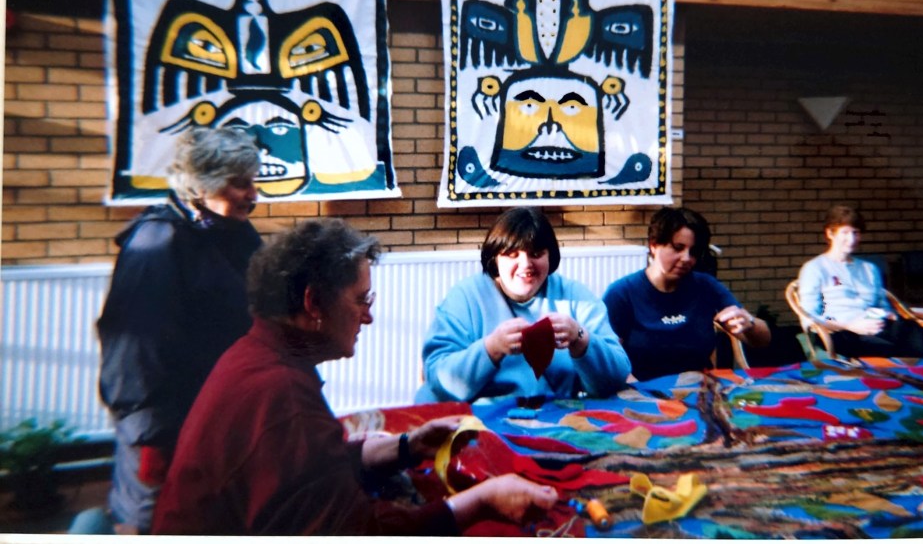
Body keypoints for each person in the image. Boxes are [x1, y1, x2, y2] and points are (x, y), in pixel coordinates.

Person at [152, 219, 558, 535]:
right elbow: (361, 532)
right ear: (313, 303)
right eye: (361, 300)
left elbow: (302, 469)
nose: (369, 315)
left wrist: (403, 447)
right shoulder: (281, 393)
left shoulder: (258, 355)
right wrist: (480, 501)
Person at [95, 127, 262, 534]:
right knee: (155, 524)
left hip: (215, 416)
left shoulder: (233, 232)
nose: (253, 194)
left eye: (253, 181)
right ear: (201, 184)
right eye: (239, 183)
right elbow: (133, 356)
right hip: (163, 426)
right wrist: (149, 438)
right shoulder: (156, 243)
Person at [416, 207, 631, 404]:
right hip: (479, 424)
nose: (526, 264)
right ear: (495, 259)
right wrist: (491, 348)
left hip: (557, 419)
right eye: (512, 255)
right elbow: (438, 381)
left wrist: (580, 338)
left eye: (536, 254)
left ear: (551, 257)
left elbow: (617, 378)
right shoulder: (465, 298)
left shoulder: (575, 297)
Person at [603, 206, 771, 381]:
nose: (686, 258)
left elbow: (763, 341)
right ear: (654, 245)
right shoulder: (622, 293)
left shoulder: (706, 286)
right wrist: (643, 393)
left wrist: (749, 323)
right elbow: (609, 363)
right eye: (678, 248)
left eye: (693, 252)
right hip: (643, 393)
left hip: (698, 391)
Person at [797, 205, 923, 358]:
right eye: (845, 233)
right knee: (887, 348)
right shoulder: (815, 268)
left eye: (856, 233)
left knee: (914, 330)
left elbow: (882, 305)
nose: (852, 239)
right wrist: (850, 326)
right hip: (840, 332)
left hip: (874, 326)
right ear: (830, 234)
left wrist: (888, 314)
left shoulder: (869, 269)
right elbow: (809, 317)